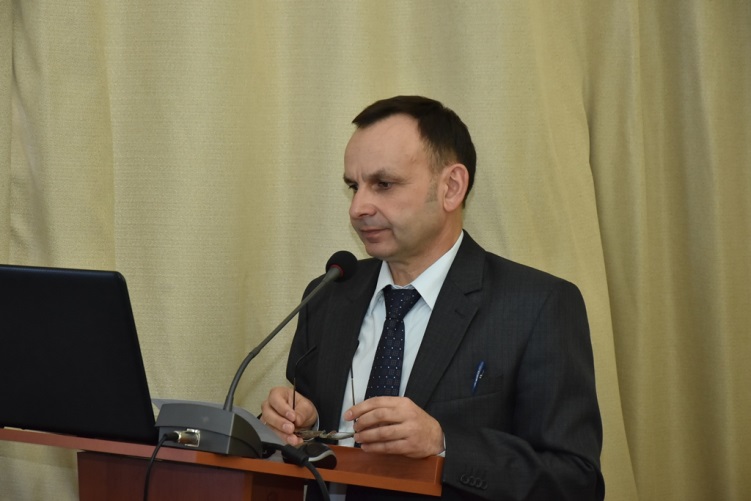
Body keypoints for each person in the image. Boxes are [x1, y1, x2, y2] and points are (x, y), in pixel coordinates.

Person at [261, 95, 604, 500]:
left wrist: (444, 445)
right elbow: (306, 445)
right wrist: (304, 423)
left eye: (383, 184)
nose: (357, 207)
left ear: (451, 187)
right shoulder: (328, 295)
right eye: (354, 186)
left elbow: (575, 481)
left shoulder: (536, 306)